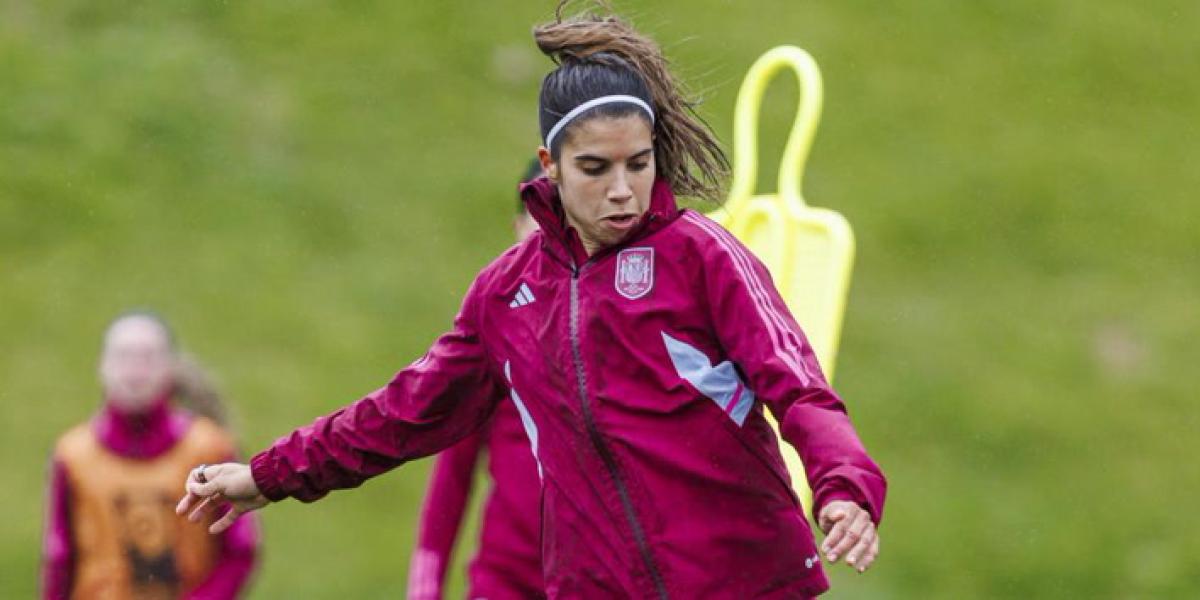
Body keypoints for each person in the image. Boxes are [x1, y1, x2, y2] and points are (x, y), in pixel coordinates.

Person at [178, 8, 886, 598]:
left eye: (639, 164)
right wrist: (268, 476)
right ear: (549, 167)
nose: (622, 190)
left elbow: (801, 389)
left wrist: (843, 484)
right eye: (595, 168)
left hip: (745, 584)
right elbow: (401, 412)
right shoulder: (505, 295)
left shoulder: (704, 254)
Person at [42, 311, 259, 599]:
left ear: (171, 368)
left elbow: (239, 551)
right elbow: (60, 556)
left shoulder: (209, 446)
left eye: (148, 357)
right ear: (102, 366)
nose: (135, 370)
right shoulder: (73, 454)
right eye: (124, 356)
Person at [406, 160, 545, 600]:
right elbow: (452, 475)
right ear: (516, 227)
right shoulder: (495, 336)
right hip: (504, 584)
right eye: (536, 220)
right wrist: (425, 587)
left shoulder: (617, 337)